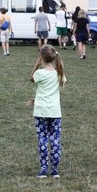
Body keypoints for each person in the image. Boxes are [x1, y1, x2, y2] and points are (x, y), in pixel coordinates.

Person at [29, 44, 65, 178]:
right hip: (55, 112)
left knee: (42, 139)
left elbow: (31, 78)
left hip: (41, 112)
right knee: (55, 140)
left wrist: (36, 65)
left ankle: (43, 168)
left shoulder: (39, 73)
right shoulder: (59, 73)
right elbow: (60, 85)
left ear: (41, 58)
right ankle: (55, 169)